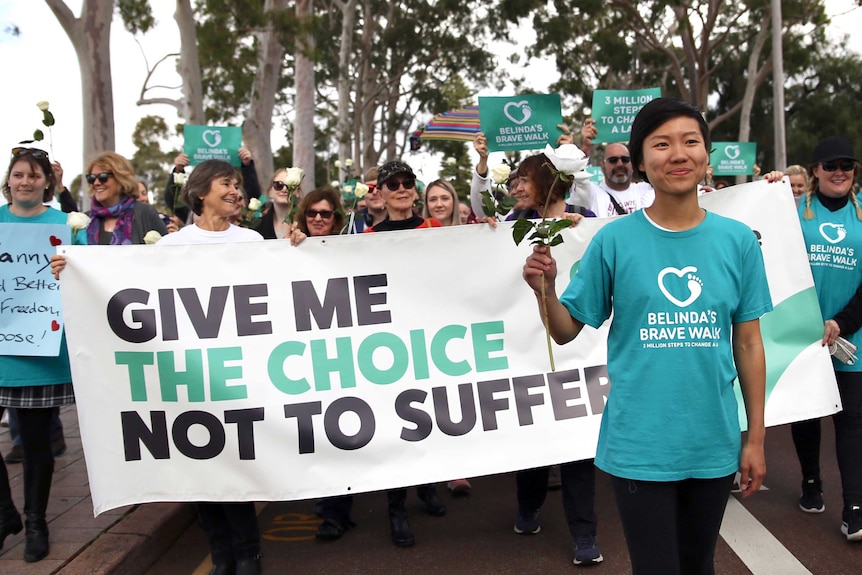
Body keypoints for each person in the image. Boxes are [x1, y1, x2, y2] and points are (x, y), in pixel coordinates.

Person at [523, 98, 776, 574]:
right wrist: (547, 290)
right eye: (661, 144)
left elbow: (748, 343)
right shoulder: (614, 241)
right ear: (640, 162)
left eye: (690, 141)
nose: (677, 154)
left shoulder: (739, 241)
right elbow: (564, 330)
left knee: (699, 565)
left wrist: (755, 438)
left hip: (713, 441)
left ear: (707, 155)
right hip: (638, 444)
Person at [158, 160, 305, 575]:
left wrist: (295, 248)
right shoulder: (172, 247)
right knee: (200, 470)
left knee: (236, 466)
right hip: (191, 377)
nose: (236, 191)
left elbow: (279, 288)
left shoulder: (252, 241)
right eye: (227, 184)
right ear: (201, 192)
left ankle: (248, 553)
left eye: (238, 185)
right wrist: (72, 269)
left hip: (240, 377)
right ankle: (221, 555)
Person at [0, 148, 86, 562]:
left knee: (36, 447)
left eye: (34, 176)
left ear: (47, 182)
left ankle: (35, 521)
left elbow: (92, 276)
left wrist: (72, 268)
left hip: (39, 349)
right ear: (9, 180)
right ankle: (5, 515)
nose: (26, 182)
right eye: (18, 175)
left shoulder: (66, 225)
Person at [793, 136, 862, 541]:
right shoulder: (794, 214)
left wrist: (841, 321)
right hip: (804, 333)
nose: (840, 172)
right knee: (807, 414)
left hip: (850, 337)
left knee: (851, 420)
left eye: (847, 166)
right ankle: (811, 483)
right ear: (815, 170)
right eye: (831, 165)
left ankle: (854, 507)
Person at [84, 152, 167, 244]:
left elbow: (167, 252)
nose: (96, 183)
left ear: (120, 178)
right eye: (91, 178)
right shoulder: (85, 221)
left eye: (103, 177)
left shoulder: (144, 212)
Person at [258, 169, 298, 239]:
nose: (284, 189)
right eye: (278, 185)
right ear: (270, 191)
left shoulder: (308, 222)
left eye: (290, 186)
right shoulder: (257, 225)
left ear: (298, 192)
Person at [348, 167, 387, 233]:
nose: (375, 192)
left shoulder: (400, 218)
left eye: (379, 187)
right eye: (369, 188)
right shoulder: (352, 222)